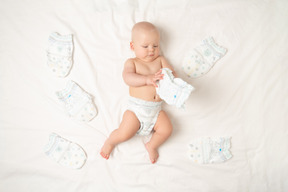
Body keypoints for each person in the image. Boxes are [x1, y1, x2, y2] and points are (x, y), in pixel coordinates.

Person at [100, 21, 175, 164]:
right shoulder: (132, 62)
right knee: (124, 133)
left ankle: (152, 145)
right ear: (132, 46)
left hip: (157, 111)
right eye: (145, 46)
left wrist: (173, 81)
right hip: (137, 110)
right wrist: (147, 79)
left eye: (155, 45)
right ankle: (110, 141)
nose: (151, 50)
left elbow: (172, 74)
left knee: (167, 129)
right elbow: (128, 78)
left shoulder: (160, 60)